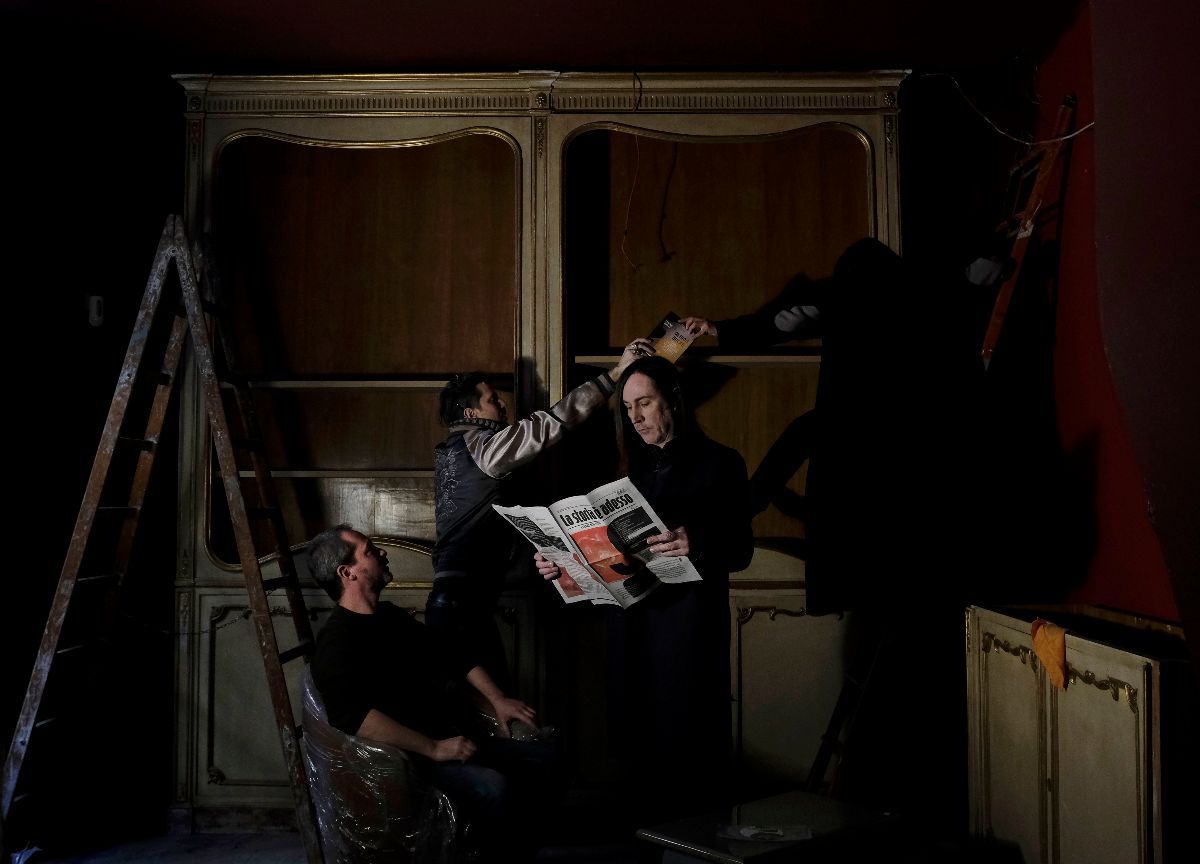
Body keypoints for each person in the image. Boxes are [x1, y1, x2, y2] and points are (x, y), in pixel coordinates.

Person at [536, 356, 753, 824]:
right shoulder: (623, 473)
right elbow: (604, 565)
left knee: (691, 762)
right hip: (632, 634)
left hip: (688, 634)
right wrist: (563, 568)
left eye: (645, 403)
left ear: (673, 400)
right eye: (627, 407)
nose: (634, 417)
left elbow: (741, 550)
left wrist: (697, 541)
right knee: (641, 770)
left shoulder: (721, 463)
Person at [308, 523, 556, 855]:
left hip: (453, 738)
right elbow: (351, 716)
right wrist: (434, 748)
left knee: (546, 758)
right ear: (347, 573)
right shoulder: (336, 642)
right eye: (369, 551)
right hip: (412, 761)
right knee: (494, 788)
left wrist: (498, 699)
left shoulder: (389, 616)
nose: (382, 553)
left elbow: (449, 653)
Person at [429, 341, 651, 692]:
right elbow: (549, 424)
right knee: (494, 710)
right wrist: (615, 375)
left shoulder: (452, 451)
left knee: (485, 707)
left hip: (454, 598)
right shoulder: (485, 446)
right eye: (492, 399)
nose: (502, 404)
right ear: (471, 413)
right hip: (463, 601)